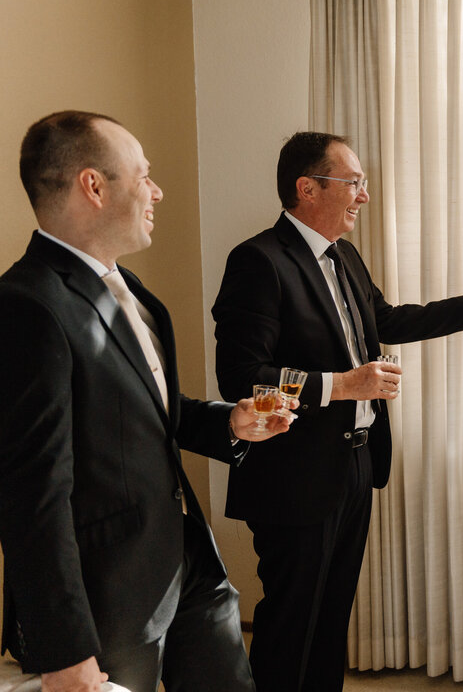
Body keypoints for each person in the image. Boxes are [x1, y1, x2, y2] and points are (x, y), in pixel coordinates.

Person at [0, 111, 294, 692]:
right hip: (106, 592)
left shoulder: (131, 290)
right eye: (145, 175)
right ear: (94, 185)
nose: (156, 191)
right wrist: (67, 653)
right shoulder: (27, 305)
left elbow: (148, 412)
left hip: (187, 562)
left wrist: (228, 423)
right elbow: (32, 497)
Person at [211, 131, 463, 692]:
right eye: (354, 183)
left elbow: (385, 321)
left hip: (356, 465)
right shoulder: (258, 261)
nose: (364, 195)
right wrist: (341, 386)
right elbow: (242, 377)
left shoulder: (343, 256)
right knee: (293, 622)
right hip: (293, 474)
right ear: (307, 189)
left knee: (331, 618)